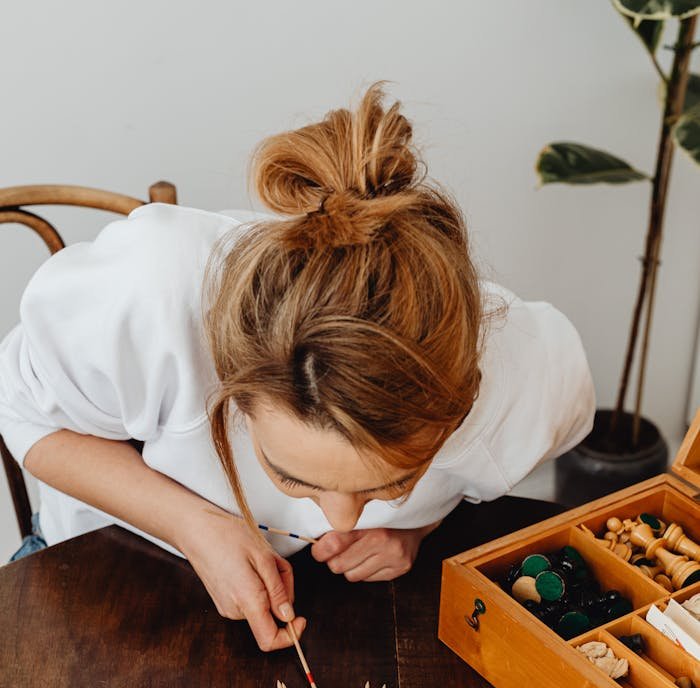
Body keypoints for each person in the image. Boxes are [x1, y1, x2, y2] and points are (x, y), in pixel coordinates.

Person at [0, 84, 595, 652]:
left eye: (391, 483)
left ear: (462, 405)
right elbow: (24, 417)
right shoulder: (146, 299)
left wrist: (417, 528)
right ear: (230, 381)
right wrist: (191, 524)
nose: (335, 518)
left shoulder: (524, 378)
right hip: (97, 566)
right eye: (293, 478)